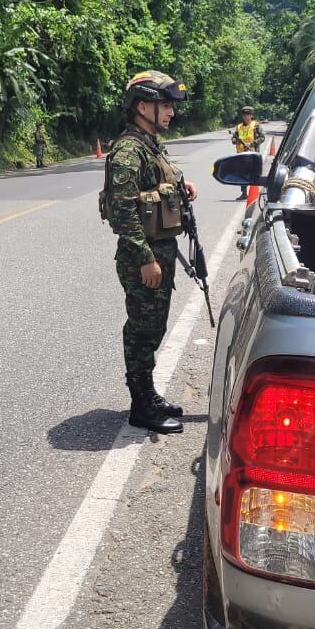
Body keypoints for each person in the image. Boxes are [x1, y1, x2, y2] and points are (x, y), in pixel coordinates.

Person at [100, 70, 198, 434]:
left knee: (154, 327)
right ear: (142, 106)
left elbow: (153, 186)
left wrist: (180, 186)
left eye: (171, 106)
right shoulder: (128, 151)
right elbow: (124, 213)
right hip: (145, 258)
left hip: (160, 252)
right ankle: (141, 404)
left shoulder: (150, 143)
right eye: (164, 105)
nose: (171, 112)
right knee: (142, 331)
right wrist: (146, 259)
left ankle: (148, 393)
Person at [230, 107, 264, 198]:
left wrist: (252, 144)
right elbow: (234, 138)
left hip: (253, 154)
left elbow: (262, 138)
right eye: (244, 115)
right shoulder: (239, 127)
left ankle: (255, 193)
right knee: (242, 174)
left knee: (254, 173)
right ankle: (244, 193)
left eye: (248, 115)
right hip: (241, 154)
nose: (246, 117)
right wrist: (235, 141)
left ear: (251, 115)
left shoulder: (256, 125)